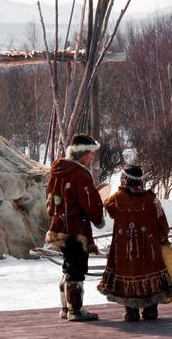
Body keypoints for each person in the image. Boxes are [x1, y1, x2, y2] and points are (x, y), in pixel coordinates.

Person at [97, 165, 172, 321]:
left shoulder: (117, 198)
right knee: (152, 275)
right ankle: (150, 311)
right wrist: (163, 238)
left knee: (128, 275)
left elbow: (109, 208)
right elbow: (162, 222)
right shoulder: (151, 198)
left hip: (125, 251)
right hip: (150, 249)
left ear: (125, 179)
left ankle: (132, 313)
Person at [45, 133, 105, 321]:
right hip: (76, 229)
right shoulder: (79, 174)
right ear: (82, 154)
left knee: (68, 267)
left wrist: (56, 218)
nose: (91, 157)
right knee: (76, 269)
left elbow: (49, 199)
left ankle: (66, 308)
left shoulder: (58, 170)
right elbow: (90, 201)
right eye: (90, 154)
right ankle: (75, 310)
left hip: (59, 227)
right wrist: (98, 218)